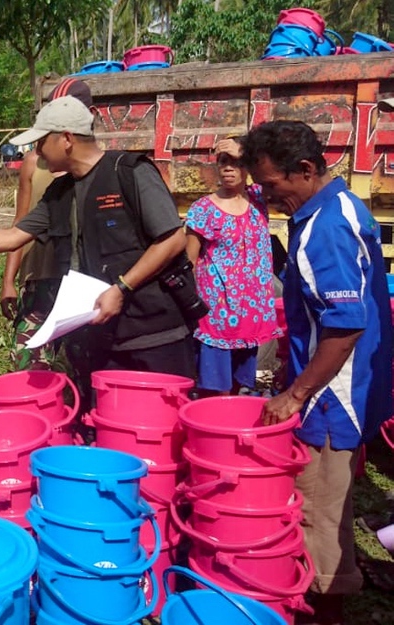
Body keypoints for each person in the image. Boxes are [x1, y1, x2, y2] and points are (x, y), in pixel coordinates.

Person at [0, 96, 196, 402]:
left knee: (162, 431)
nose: (36, 151)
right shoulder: (60, 192)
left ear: (66, 139)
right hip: (102, 340)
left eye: (41, 142)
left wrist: (122, 288)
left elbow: (173, 239)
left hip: (153, 337)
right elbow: (13, 236)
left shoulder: (130, 172)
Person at [243, 121, 393, 625]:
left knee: (319, 514)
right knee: (326, 505)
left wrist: (296, 392)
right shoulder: (340, 206)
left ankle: (321, 608)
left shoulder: (324, 230)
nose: (267, 197)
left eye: (271, 185)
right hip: (352, 387)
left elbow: (346, 324)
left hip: (333, 397)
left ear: (305, 170)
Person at [1, 78, 93, 371]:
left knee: (80, 366)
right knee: (30, 363)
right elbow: (20, 225)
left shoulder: (102, 170)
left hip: (81, 285)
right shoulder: (33, 162)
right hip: (39, 278)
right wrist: (8, 281)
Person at [185, 138, 280, 395]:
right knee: (214, 391)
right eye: (223, 162)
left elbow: (279, 172)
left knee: (242, 387)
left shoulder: (259, 199)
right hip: (217, 316)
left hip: (251, 314)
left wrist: (246, 152)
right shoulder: (203, 209)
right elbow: (189, 263)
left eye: (237, 162)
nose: (229, 168)